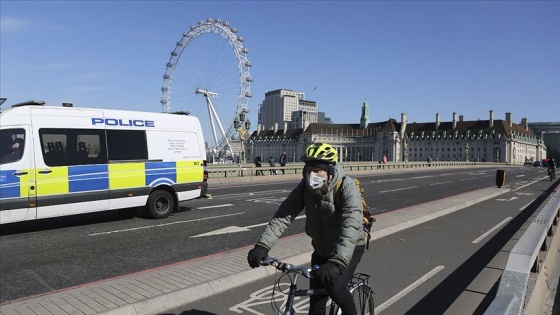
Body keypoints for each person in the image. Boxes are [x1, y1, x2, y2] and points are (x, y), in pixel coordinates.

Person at [247, 143, 365, 315]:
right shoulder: (305, 187)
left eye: (317, 170)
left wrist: (338, 262)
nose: (312, 175)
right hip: (321, 249)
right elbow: (284, 215)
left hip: (350, 247)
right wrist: (262, 246)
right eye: (308, 170)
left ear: (329, 171)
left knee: (336, 289)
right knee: (316, 306)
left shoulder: (345, 186)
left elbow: (351, 225)